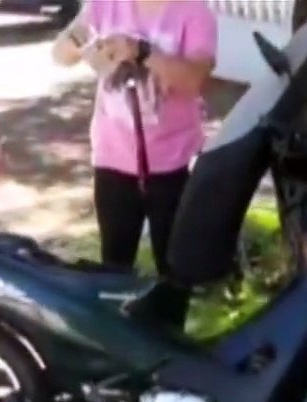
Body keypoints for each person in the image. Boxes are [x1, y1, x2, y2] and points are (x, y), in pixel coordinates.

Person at [52, 0, 217, 329]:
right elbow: (60, 53)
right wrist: (80, 44)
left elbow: (195, 80)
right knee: (114, 269)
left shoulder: (193, 11)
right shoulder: (106, 4)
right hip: (113, 158)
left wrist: (141, 51)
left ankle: (171, 353)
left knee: (173, 272)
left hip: (172, 161)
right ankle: (118, 353)